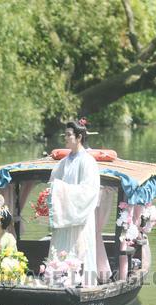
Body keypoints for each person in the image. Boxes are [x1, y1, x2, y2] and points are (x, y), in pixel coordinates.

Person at [48, 118, 100, 286]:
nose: (65, 138)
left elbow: (89, 191)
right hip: (64, 215)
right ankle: (57, 280)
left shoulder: (88, 161)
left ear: (79, 137)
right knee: (60, 250)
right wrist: (53, 193)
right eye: (65, 134)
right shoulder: (63, 163)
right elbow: (52, 185)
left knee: (80, 252)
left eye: (69, 135)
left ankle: (82, 283)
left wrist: (62, 191)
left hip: (81, 216)